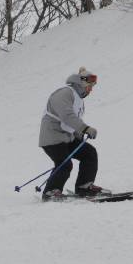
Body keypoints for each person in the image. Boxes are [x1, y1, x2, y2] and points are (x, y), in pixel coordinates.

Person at [38, 67, 108, 201]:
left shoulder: (77, 98)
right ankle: (50, 192)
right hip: (52, 138)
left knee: (89, 153)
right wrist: (85, 128)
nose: (91, 90)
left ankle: (84, 187)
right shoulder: (64, 93)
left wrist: (78, 134)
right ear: (81, 83)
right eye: (90, 86)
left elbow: (73, 119)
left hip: (67, 138)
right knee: (65, 164)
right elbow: (67, 116)